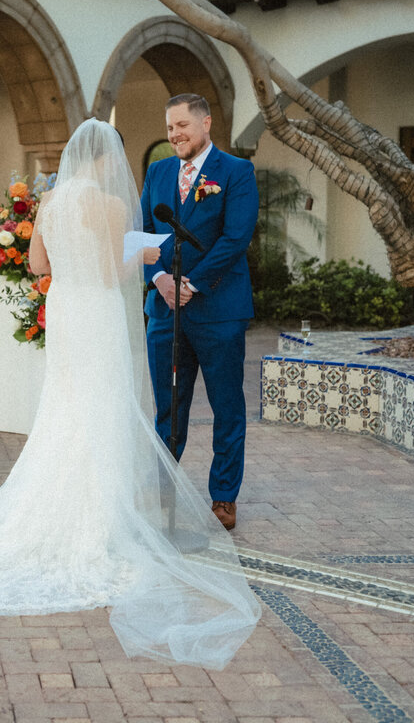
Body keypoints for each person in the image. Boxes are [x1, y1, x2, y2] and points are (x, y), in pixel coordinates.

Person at [0, 120, 259, 669]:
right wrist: (146, 257)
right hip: (98, 312)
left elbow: (38, 266)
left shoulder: (53, 200)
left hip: (66, 311)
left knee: (65, 405)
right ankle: (102, 513)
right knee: (102, 404)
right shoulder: (108, 206)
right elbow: (113, 273)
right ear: (105, 161)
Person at [141, 94, 260, 532]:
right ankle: (163, 492)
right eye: (170, 128)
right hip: (164, 310)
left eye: (182, 126)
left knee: (227, 405)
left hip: (218, 310)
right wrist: (159, 279)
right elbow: (144, 234)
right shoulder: (158, 171)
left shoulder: (235, 172)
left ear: (206, 123)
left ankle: (224, 497)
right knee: (168, 407)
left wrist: (190, 284)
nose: (174, 135)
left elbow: (235, 237)